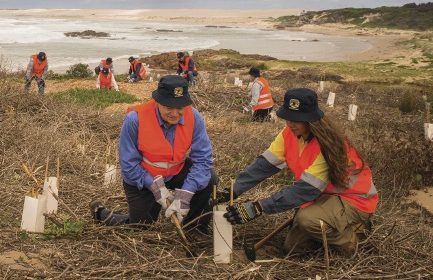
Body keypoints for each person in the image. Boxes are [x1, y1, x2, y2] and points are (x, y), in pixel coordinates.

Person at [219, 88, 377, 256]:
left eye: (297, 119)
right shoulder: (289, 134)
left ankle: (351, 237)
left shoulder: (327, 145)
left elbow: (306, 189)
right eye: (288, 117)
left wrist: (258, 208)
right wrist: (233, 190)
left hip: (354, 198)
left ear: (312, 119)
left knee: (307, 220)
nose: (290, 123)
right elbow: (263, 166)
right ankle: (328, 226)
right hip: (322, 198)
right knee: (294, 248)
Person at [90, 75, 219, 241]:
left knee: (209, 179)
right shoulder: (135, 119)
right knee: (140, 229)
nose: (175, 113)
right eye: (168, 107)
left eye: (180, 107)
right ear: (157, 101)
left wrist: (187, 191)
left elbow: (203, 159)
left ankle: (195, 229)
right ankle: (101, 213)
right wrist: (154, 186)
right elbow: (128, 164)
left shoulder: (194, 117)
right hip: (143, 176)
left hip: (176, 170)